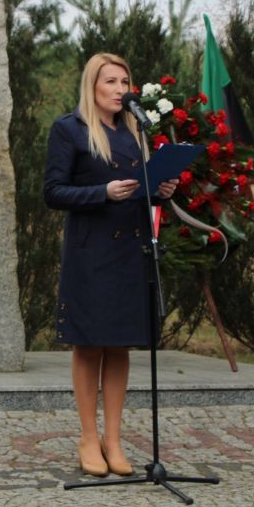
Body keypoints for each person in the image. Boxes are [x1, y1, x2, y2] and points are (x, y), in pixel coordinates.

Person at [43, 53, 178, 478]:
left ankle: (113, 439)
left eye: (124, 82)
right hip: (91, 252)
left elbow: (141, 190)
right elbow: (53, 191)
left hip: (130, 251)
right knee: (89, 344)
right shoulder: (70, 129)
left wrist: (161, 188)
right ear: (92, 86)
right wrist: (102, 192)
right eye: (111, 82)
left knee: (119, 345)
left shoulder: (134, 132)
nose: (120, 90)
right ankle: (88, 437)